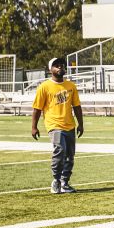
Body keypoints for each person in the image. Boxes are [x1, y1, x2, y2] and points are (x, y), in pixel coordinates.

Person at [31, 56, 85, 194]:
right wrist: (34, 126)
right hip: (54, 125)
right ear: (50, 70)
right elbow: (37, 108)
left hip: (70, 125)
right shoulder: (44, 87)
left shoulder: (71, 86)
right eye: (56, 65)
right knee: (60, 150)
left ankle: (64, 182)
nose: (60, 67)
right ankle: (56, 180)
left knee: (70, 155)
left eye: (61, 64)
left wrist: (80, 124)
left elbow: (77, 106)